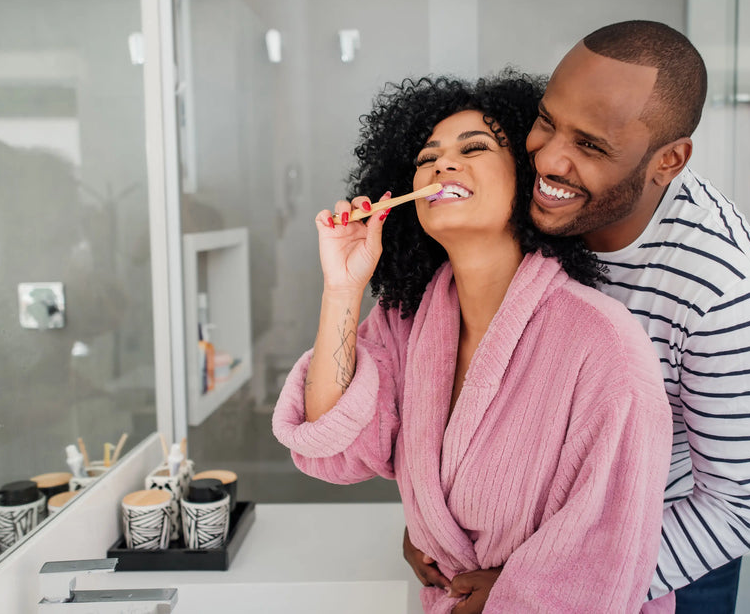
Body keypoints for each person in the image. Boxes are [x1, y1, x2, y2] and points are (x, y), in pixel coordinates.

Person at [403, 21, 750, 614]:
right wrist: (437, 518)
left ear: (668, 161)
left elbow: (740, 508)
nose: (549, 159)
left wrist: (540, 589)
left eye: (590, 146)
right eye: (546, 121)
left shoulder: (731, 294)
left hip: (662, 564)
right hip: (505, 545)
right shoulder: (535, 202)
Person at [272, 71, 673, 613]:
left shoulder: (603, 343)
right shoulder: (406, 322)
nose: (441, 164)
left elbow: (606, 548)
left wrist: (511, 596)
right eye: (426, 157)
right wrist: (343, 289)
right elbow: (339, 448)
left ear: (528, 178)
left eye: (475, 147)